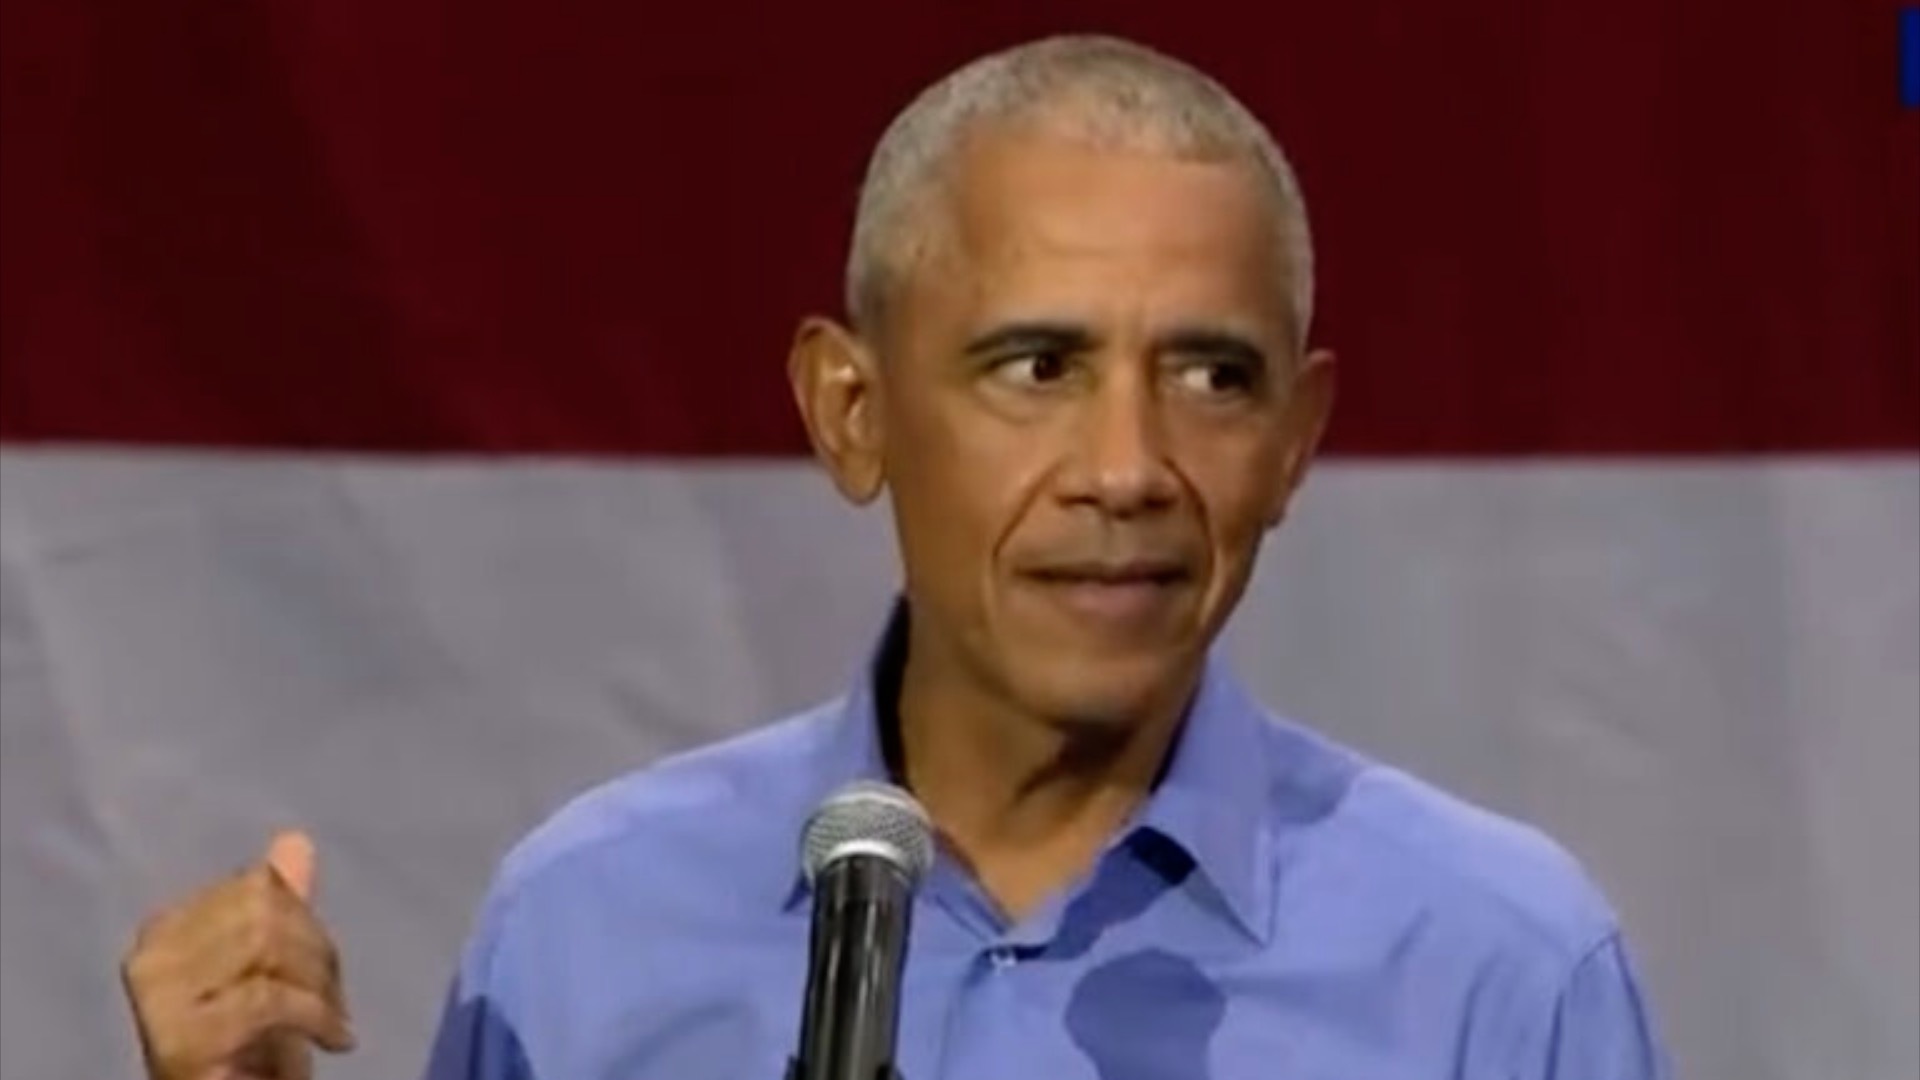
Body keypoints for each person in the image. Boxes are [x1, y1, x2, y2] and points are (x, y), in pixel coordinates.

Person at [119, 33, 1670, 1080]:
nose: (1128, 469)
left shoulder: (1498, 973)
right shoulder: (586, 934)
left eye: (1212, 376)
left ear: (1295, 441)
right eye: (1036, 367)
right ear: (850, 413)